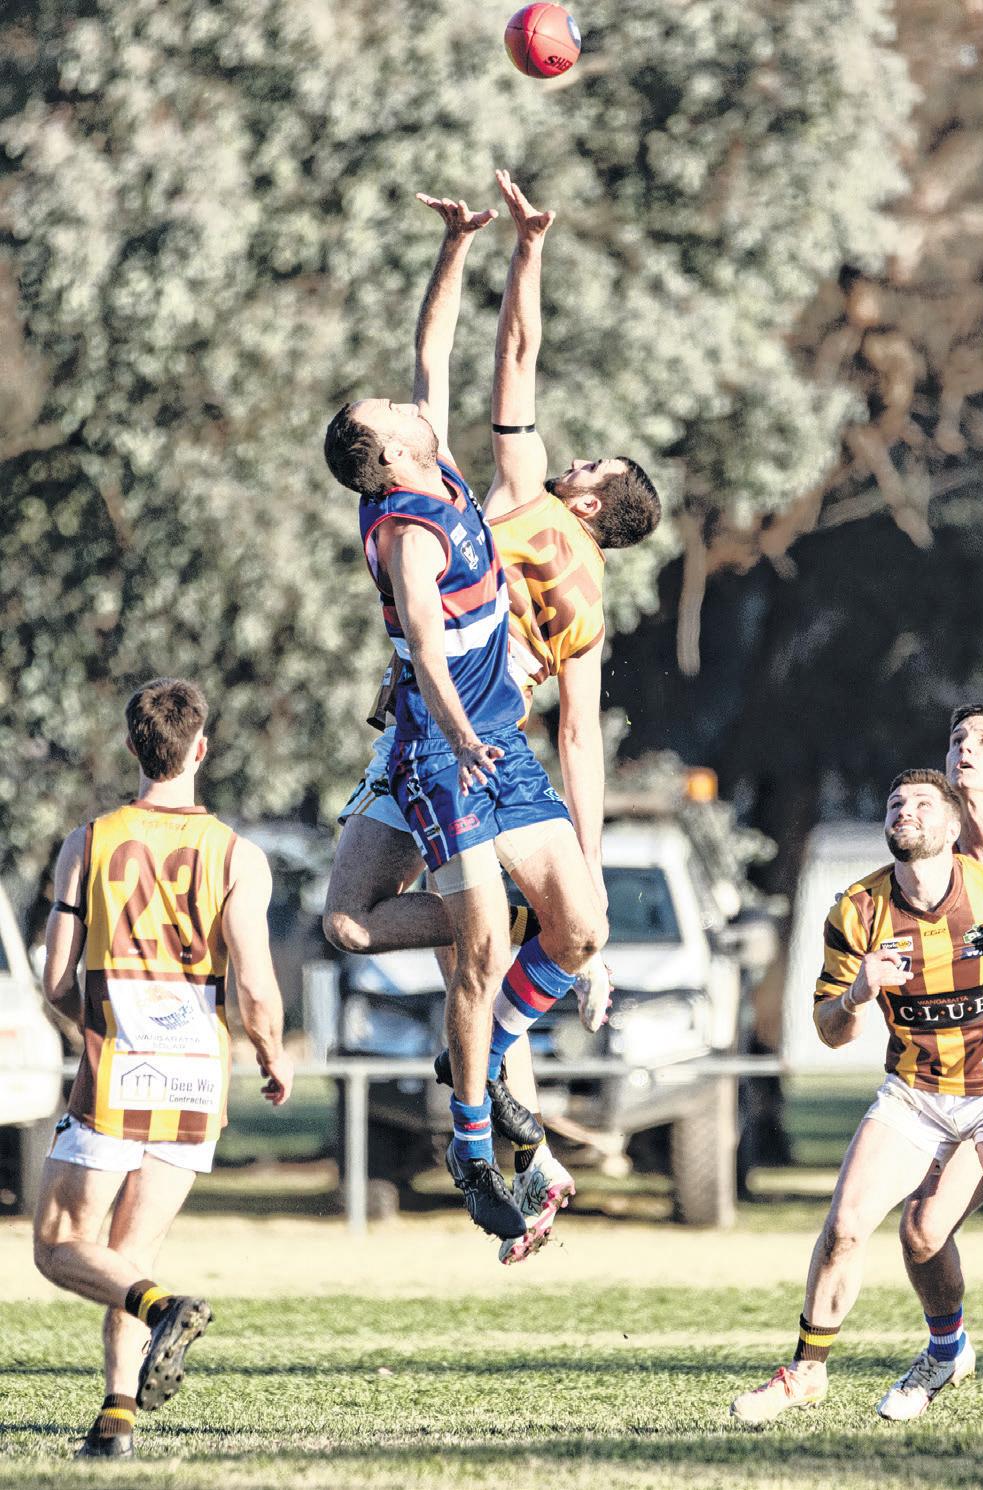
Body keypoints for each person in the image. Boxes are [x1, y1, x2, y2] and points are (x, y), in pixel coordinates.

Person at [324, 174, 660, 1256]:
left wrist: (506, 246)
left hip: (476, 737)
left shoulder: (508, 492)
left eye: (591, 464)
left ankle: (503, 1113)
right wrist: (512, 248)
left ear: (591, 502)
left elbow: (498, 352)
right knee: (482, 947)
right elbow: (576, 737)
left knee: (528, 940)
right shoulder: (540, 566)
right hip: (451, 736)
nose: (577, 457)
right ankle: (499, 1141)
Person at [33, 677, 293, 1460]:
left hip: (116, 1074)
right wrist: (270, 1054)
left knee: (60, 1247)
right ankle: (117, 1419)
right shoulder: (238, 855)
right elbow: (255, 985)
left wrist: (98, 1024)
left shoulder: (89, 841)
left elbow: (55, 980)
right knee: (128, 1253)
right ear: (200, 748)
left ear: (131, 746)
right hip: (196, 1080)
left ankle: (163, 1308)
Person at [729, 768, 983, 1426]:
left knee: (924, 1231)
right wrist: (856, 995)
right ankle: (807, 1373)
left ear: (954, 827)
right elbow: (830, 1031)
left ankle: (943, 1351)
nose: (905, 811)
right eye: (895, 803)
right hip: (916, 1094)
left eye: (923, 803)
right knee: (847, 1228)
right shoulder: (858, 910)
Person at [877, 704, 983, 1418]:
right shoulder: (936, 860)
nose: (965, 750)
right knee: (921, 1231)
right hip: (960, 1083)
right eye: (957, 740)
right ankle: (947, 1350)